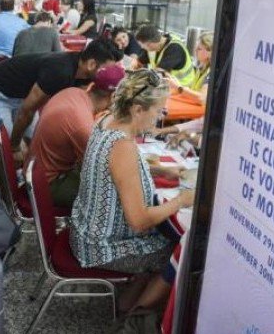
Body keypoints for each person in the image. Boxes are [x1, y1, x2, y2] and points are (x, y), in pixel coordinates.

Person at [70, 69, 195, 309]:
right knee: (179, 253)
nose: (159, 117)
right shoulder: (122, 145)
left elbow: (113, 171)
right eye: (158, 110)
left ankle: (128, 302)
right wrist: (181, 200)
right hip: (101, 247)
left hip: (86, 231)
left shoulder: (105, 120)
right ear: (137, 109)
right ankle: (133, 323)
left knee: (165, 236)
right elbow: (138, 221)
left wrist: (158, 172)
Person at [0, 39, 122, 163]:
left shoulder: (86, 74)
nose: (110, 74)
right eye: (108, 70)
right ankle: (9, 186)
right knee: (8, 151)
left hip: (21, 95)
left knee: (35, 145)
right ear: (91, 64)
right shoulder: (59, 71)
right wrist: (15, 147)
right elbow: (27, 111)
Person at [28, 64, 125, 207]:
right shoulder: (82, 125)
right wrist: (159, 171)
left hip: (36, 172)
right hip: (49, 186)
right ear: (114, 96)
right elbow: (110, 169)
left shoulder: (73, 92)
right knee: (117, 198)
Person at [166, 31, 214, 104]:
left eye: (199, 49)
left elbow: (202, 98)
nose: (195, 50)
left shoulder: (211, 72)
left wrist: (179, 87)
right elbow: (193, 90)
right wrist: (176, 85)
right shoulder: (202, 67)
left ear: (210, 52)